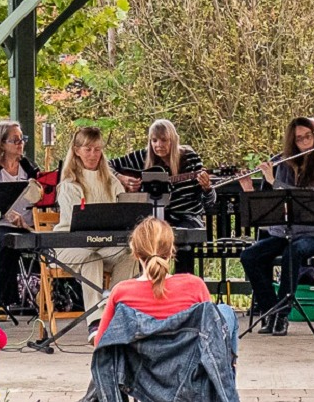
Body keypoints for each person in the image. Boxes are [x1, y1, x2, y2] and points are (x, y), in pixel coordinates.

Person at [239, 117, 314, 336]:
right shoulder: (282, 163)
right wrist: (250, 189)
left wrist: (273, 180)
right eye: (299, 138)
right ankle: (270, 312)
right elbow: (268, 205)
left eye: (308, 136)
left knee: (293, 250)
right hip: (284, 232)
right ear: (292, 141)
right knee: (250, 256)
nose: (304, 142)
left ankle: (283, 315)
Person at [54, 126, 138, 334]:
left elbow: (123, 213)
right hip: (71, 245)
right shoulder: (69, 185)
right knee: (92, 259)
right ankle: (96, 321)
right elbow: (76, 225)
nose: (93, 154)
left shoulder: (112, 181)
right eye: (88, 149)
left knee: (132, 256)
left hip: (105, 243)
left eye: (97, 149)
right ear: (76, 150)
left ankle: (117, 310)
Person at [111, 119, 216, 273]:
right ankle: (148, 285)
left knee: (182, 240)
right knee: (144, 238)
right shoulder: (143, 156)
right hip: (154, 216)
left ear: (173, 140)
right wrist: (122, 179)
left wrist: (207, 188)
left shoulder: (190, 158)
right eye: (154, 140)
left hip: (187, 218)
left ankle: (182, 289)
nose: (158, 145)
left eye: (164, 140)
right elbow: (106, 164)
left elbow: (209, 202)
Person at [92, 218, 213, 344]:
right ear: (171, 250)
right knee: (226, 313)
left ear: (135, 252)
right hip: (186, 362)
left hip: (137, 363)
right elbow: (212, 335)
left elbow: (101, 343)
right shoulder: (194, 286)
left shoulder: (121, 291)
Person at [0, 121, 43, 314]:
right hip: (1, 223)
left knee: (53, 240)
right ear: (1, 144)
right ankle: (2, 301)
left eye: (22, 139)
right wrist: (10, 217)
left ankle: (53, 298)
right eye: (15, 140)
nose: (20, 144)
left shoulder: (28, 167)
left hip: (30, 223)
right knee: (7, 242)